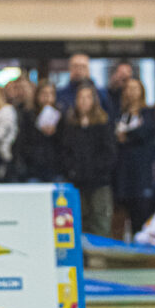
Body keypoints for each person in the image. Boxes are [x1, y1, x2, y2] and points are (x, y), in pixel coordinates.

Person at [58, 85, 117, 236]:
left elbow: (109, 153)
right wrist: (72, 171)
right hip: (77, 183)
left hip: (99, 183)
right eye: (80, 98)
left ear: (94, 100)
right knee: (78, 223)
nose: (83, 102)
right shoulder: (70, 125)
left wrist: (97, 170)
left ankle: (100, 259)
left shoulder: (103, 123)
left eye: (87, 97)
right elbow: (65, 152)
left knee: (100, 223)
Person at [113, 77, 155, 234]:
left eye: (135, 88)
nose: (131, 92)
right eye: (128, 88)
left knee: (141, 219)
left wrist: (127, 136)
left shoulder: (149, 113)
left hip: (141, 174)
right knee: (121, 220)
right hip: (123, 174)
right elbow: (115, 138)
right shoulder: (119, 115)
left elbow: (144, 133)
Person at [14, 81, 61, 183]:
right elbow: (22, 144)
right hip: (33, 170)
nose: (47, 98)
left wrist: (54, 133)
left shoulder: (60, 117)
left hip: (55, 169)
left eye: (50, 94)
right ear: (37, 96)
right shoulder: (28, 117)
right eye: (44, 94)